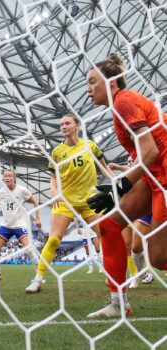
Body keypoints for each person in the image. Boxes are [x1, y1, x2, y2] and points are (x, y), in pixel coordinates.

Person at [86, 53, 167, 317]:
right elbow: (144, 156)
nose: (88, 88)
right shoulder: (120, 106)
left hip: (163, 174)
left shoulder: (124, 102)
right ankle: (118, 303)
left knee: (157, 258)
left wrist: (119, 188)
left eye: (92, 81)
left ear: (111, 83)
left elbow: (151, 152)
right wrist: (119, 185)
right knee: (108, 225)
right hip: (154, 174)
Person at [25, 114, 113, 293]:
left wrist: (114, 185)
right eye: (61, 124)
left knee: (106, 235)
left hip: (90, 200)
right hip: (65, 201)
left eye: (67, 123)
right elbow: (53, 177)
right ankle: (38, 279)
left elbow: (104, 168)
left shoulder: (90, 146)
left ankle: (112, 275)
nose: (63, 127)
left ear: (77, 125)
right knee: (54, 238)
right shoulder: (57, 152)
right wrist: (54, 191)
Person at [0, 169, 41, 282]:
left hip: (19, 225)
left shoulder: (22, 190)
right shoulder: (0, 192)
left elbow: (35, 201)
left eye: (9, 176)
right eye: (5, 176)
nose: (7, 178)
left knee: (30, 250)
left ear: (14, 177)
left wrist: (37, 218)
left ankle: (40, 276)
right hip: (6, 226)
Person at [108, 158, 154, 288]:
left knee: (153, 250)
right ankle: (138, 274)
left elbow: (138, 171)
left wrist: (118, 166)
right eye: (128, 161)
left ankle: (145, 271)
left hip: (148, 208)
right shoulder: (125, 177)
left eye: (132, 161)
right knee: (130, 246)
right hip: (130, 212)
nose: (129, 163)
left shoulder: (144, 169)